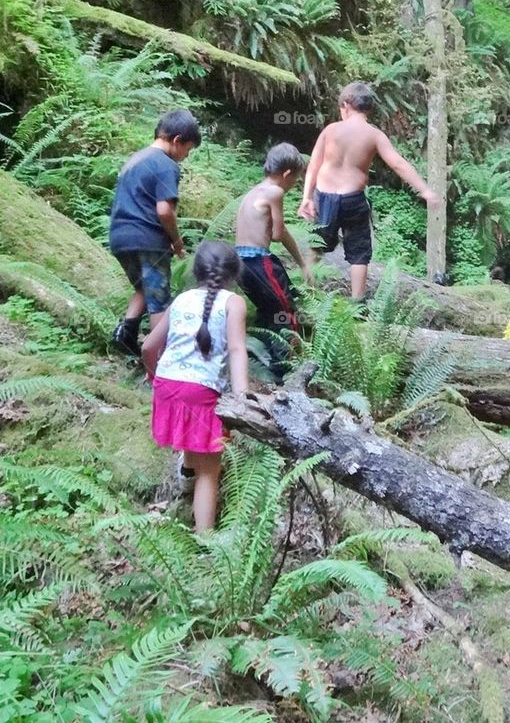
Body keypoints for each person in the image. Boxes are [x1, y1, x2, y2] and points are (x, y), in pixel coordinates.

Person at [141, 240, 248, 533]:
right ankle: (206, 539)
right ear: (233, 273)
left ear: (197, 270)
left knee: (192, 438)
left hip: (167, 384)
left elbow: (149, 347)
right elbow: (238, 350)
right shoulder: (233, 303)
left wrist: (154, 377)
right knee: (210, 472)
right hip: (200, 390)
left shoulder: (182, 299)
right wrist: (242, 399)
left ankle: (186, 474)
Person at [298, 81, 438, 299]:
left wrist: (306, 197)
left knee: (316, 246)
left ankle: (307, 292)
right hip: (353, 200)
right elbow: (398, 164)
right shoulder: (374, 135)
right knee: (359, 253)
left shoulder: (330, 130)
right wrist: (425, 190)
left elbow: (313, 167)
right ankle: (357, 302)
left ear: (345, 105)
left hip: (324, 197)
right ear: (369, 109)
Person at [109, 109, 201, 355]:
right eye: (187, 150)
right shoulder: (165, 165)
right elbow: (164, 211)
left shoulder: (134, 160)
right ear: (177, 140)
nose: (185, 156)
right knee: (159, 299)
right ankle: (161, 357)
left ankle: (124, 333)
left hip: (120, 237)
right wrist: (176, 240)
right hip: (148, 240)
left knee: (143, 287)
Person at [235, 142, 307, 382]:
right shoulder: (275, 192)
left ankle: (268, 361)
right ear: (286, 174)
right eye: (295, 180)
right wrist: (302, 263)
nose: (294, 185)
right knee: (286, 312)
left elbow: (282, 233)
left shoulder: (254, 191)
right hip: (259, 262)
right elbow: (277, 233)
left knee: (268, 312)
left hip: (240, 264)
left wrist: (301, 261)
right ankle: (289, 368)